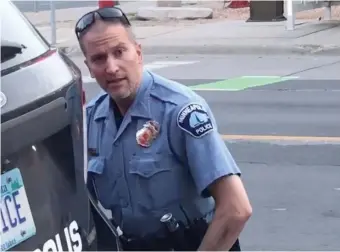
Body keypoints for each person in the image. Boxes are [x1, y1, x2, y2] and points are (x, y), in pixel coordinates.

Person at [75, 7, 252, 251]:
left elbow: (236, 209)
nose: (112, 67)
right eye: (99, 58)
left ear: (138, 52)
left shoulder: (180, 110)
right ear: (88, 67)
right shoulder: (91, 121)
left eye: (119, 52)